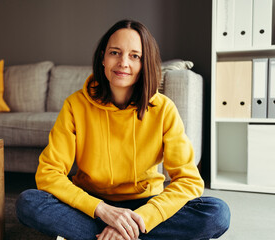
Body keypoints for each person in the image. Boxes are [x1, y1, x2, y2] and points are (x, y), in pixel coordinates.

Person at [16, 19, 230, 240]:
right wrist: (103, 210)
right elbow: (49, 173)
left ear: (145, 63)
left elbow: (188, 180)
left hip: (144, 207)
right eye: (115, 53)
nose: (123, 63)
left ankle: (115, 235)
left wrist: (142, 219)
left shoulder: (164, 109)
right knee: (28, 202)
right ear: (102, 57)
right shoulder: (75, 105)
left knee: (216, 213)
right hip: (92, 205)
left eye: (135, 56)